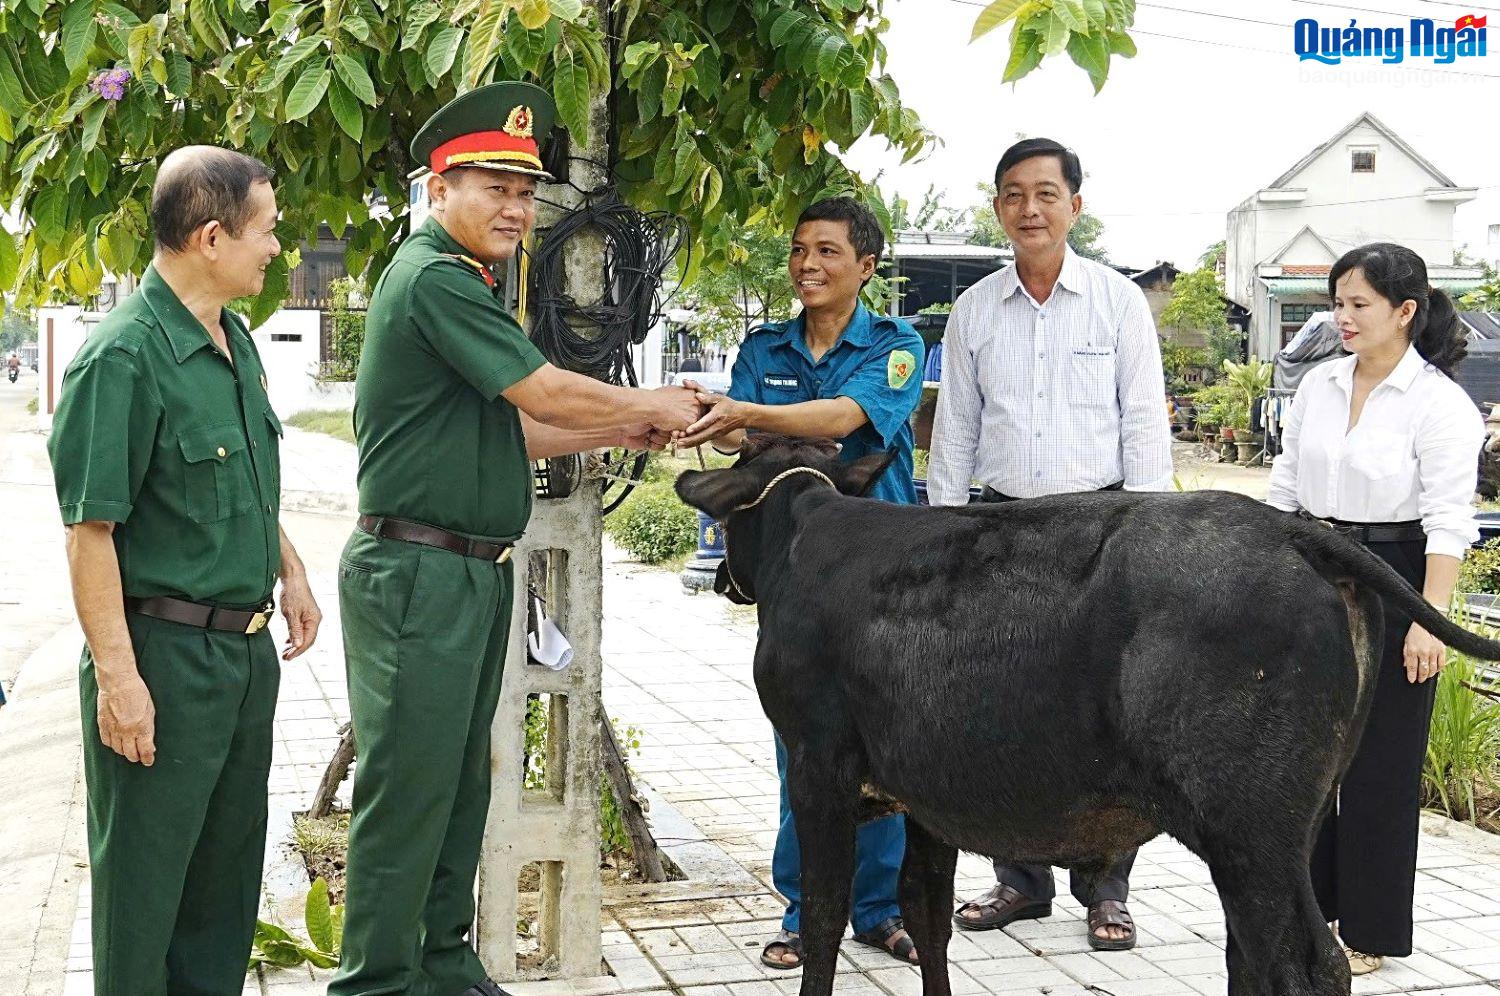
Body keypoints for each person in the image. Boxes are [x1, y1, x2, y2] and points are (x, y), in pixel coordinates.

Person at [330, 81, 703, 996]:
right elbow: (541, 390)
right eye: (493, 184)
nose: (516, 206)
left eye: (526, 190)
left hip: (463, 572)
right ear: (438, 187)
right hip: (417, 571)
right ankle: (376, 981)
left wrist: (622, 430)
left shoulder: (469, 286)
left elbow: (519, 430)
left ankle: (445, 967)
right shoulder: (433, 278)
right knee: (407, 795)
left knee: (460, 792)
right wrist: (645, 402)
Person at [47, 146, 323, 992]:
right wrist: (118, 681)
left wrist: (291, 568)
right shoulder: (122, 358)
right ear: (211, 237)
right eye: (267, 231)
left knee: (222, 890)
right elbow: (90, 531)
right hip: (161, 661)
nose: (277, 248)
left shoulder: (231, 338)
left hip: (241, 659)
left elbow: (239, 477)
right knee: (145, 892)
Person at [927, 137, 1173, 951]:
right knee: (1002, 708)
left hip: (1101, 531)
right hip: (999, 530)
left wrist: (1147, 534)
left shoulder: (1116, 302)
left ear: (1075, 204)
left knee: (1108, 711)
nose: (1028, 209)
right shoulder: (975, 310)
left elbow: (1144, 421)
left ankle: (1107, 888)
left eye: (1044, 193)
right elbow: (955, 430)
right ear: (997, 207)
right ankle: (1017, 881)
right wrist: (946, 530)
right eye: (1011, 195)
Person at [675, 196, 926, 969]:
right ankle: (801, 910)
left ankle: (879, 910)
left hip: (882, 582)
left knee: (889, 746)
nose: (808, 265)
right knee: (805, 748)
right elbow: (748, 440)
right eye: (798, 250)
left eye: (827, 251)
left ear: (867, 266)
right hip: (794, 585)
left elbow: (848, 419)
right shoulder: (764, 347)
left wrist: (759, 418)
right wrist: (759, 421)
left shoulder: (898, 344)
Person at [1267, 242, 1483, 976]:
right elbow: (1284, 487)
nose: (1343, 318)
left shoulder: (1439, 404)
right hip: (1313, 570)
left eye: (1359, 305)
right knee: (1304, 760)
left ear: (1405, 311)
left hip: (1396, 577)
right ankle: (1311, 913)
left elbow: (1450, 519)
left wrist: (1432, 617)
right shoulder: (1320, 385)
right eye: (1339, 303)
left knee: (1381, 767)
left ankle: (1370, 929)